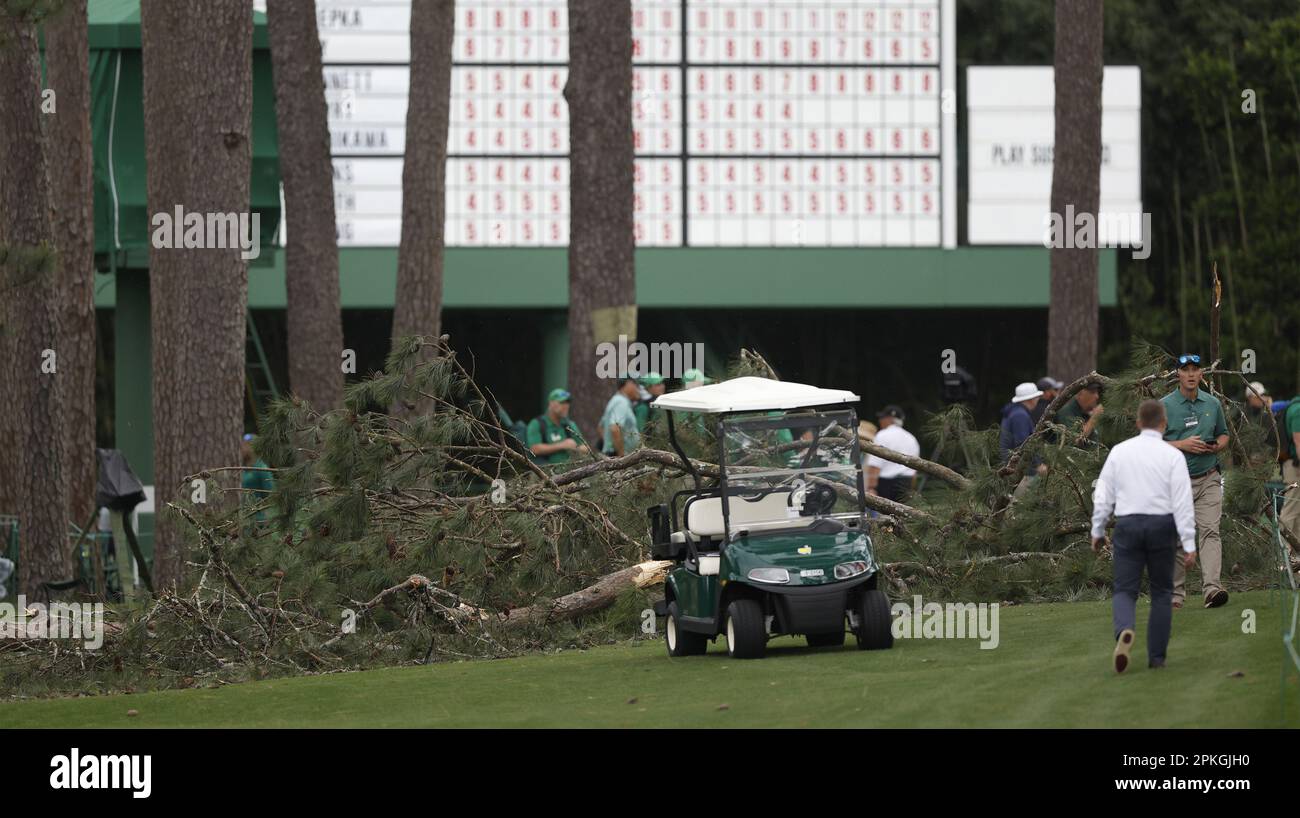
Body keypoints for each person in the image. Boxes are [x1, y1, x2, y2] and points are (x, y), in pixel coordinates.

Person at [1091, 400, 1197, 672]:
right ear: (1164, 424)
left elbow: (1103, 493)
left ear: (1138, 423)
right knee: (1162, 592)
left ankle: (1124, 629)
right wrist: (1189, 543)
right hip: (1162, 525)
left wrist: (1098, 529)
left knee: (1125, 590)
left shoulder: (1119, 451)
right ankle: (1157, 658)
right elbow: (1182, 501)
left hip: (1128, 524)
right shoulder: (1172, 456)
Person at [1160, 354, 1230, 609]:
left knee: (1211, 531)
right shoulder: (1164, 405)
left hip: (1209, 477)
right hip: (1176, 482)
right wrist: (1181, 444)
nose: (1190, 374)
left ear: (1202, 374)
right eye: (1185, 369)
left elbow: (1223, 434)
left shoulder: (1212, 403)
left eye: (1195, 369)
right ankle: (1175, 595)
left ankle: (1212, 590)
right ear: (1177, 374)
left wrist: (1216, 447)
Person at [866, 405, 919, 503]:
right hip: (905, 484)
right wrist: (912, 489)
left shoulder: (882, 435)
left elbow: (875, 464)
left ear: (889, 419)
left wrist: (871, 487)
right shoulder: (912, 438)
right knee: (903, 515)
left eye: (882, 417)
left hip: (885, 485)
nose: (880, 420)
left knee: (886, 516)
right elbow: (914, 470)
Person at [525, 388, 588, 465]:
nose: (566, 406)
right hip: (546, 470)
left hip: (570, 469)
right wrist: (562, 445)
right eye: (562, 402)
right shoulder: (537, 424)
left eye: (568, 402)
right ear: (551, 403)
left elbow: (586, 448)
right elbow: (534, 449)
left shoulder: (570, 424)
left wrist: (575, 448)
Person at [999, 382, 1042, 461]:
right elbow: (1023, 444)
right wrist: (1037, 465)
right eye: (1036, 397)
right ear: (1030, 399)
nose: (1038, 399)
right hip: (1015, 465)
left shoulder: (1015, 411)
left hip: (1011, 463)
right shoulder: (1020, 415)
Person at [600, 376, 643, 456]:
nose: (639, 389)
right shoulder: (621, 402)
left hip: (613, 454)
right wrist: (621, 455)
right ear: (628, 384)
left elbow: (601, 427)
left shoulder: (616, 400)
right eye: (636, 385)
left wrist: (609, 444)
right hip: (617, 457)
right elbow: (615, 428)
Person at [1053, 380, 1104, 444]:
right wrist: (1094, 418)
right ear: (1080, 393)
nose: (1097, 396)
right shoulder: (1066, 412)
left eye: (1097, 392)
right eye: (1092, 392)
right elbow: (1074, 441)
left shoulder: (1086, 413)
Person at [240, 433, 274, 522]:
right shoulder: (243, 469)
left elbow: (270, 495)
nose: (242, 449)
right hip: (244, 520)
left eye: (245, 445)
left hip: (258, 520)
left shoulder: (262, 469)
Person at [1280, 390, 1300, 543]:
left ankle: (1294, 560)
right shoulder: (1298, 410)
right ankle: (1283, 556)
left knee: (1297, 514)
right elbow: (1298, 442)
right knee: (1290, 511)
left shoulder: (1294, 405)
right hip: (1296, 468)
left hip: (1293, 466)